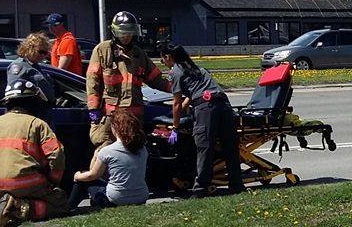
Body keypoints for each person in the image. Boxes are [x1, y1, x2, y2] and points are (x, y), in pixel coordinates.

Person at [0, 77, 68, 227]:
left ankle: (5, 201)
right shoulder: (36, 123)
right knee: (61, 203)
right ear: (33, 102)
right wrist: (53, 181)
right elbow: (56, 154)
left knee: (8, 193)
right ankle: (20, 207)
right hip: (25, 181)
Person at [159, 42, 243, 196]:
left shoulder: (176, 72)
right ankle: (236, 186)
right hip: (224, 105)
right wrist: (182, 110)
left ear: (168, 57)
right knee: (230, 147)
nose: (162, 63)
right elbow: (192, 96)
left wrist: (175, 127)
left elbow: (176, 102)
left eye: (162, 60)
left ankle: (200, 189)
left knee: (204, 147)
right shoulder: (196, 68)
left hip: (207, 108)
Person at [85, 11, 171, 148]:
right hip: (111, 116)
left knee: (134, 150)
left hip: (134, 116)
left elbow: (155, 79)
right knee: (104, 149)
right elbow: (92, 81)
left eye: (129, 32)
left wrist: (178, 88)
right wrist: (93, 108)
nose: (126, 36)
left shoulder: (139, 55)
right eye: (122, 32)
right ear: (114, 32)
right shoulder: (103, 50)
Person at [68, 109, 149, 210]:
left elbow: (92, 175)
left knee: (83, 177)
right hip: (141, 197)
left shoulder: (107, 151)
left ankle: (69, 207)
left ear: (115, 128)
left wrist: (77, 176)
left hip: (116, 200)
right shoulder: (142, 149)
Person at [6, 31, 56, 110]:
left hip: (43, 111)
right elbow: (15, 95)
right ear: (30, 48)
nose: (43, 55)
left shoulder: (35, 66)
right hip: (30, 112)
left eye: (46, 53)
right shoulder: (19, 66)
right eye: (41, 52)